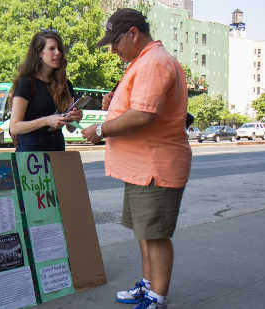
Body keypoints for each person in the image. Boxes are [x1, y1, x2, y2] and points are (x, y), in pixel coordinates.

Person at [81, 8, 192, 309]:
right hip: (142, 167)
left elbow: (143, 115)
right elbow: (137, 105)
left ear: (133, 33)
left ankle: (157, 297)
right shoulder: (144, 62)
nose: (113, 50)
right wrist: (113, 103)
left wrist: (101, 129)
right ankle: (148, 285)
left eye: (115, 42)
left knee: (155, 236)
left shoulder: (155, 63)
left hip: (155, 167)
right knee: (144, 232)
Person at [9, 29, 82, 152]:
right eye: (52, 48)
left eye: (59, 48)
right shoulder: (26, 83)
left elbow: (71, 128)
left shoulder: (65, 84)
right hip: (31, 156)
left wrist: (74, 119)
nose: (58, 53)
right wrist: (47, 121)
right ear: (39, 53)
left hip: (57, 151)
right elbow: (14, 127)